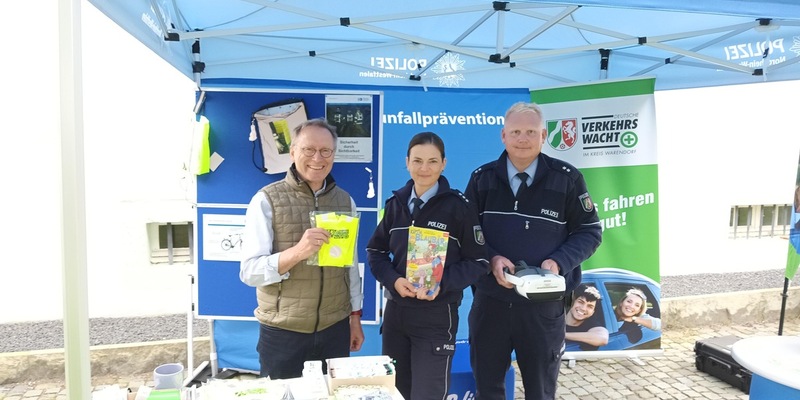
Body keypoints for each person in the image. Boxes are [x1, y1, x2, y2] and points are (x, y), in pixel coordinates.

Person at [464, 102, 603, 400]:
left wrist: (558, 262)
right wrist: (491, 258)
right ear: (503, 135)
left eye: (530, 132)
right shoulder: (481, 179)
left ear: (543, 136)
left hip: (543, 307)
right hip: (491, 304)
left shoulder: (567, 179)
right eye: (515, 132)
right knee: (488, 390)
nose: (523, 139)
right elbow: (466, 234)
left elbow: (590, 231)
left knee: (540, 392)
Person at [366, 132, 489, 400]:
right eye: (417, 160)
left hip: (436, 316)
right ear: (407, 162)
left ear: (444, 164)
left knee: (428, 395)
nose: (424, 168)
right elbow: (375, 251)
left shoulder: (459, 207)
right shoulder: (395, 205)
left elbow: (479, 262)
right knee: (395, 393)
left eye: (432, 161)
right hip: (396, 315)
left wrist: (441, 284)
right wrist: (393, 280)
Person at [239, 118, 365, 379]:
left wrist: (355, 317)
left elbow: (350, 267)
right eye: (309, 149)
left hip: (335, 329)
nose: (317, 158)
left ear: (334, 155)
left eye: (325, 151)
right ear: (293, 152)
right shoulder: (266, 200)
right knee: (284, 395)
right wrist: (298, 252)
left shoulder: (346, 202)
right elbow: (250, 272)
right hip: (283, 333)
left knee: (332, 395)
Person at [565, 284, 609, 351]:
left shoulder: (591, 325)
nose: (583, 308)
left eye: (590, 306)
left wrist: (563, 335)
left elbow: (603, 338)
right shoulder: (555, 318)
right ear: (571, 301)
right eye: (580, 302)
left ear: (592, 312)